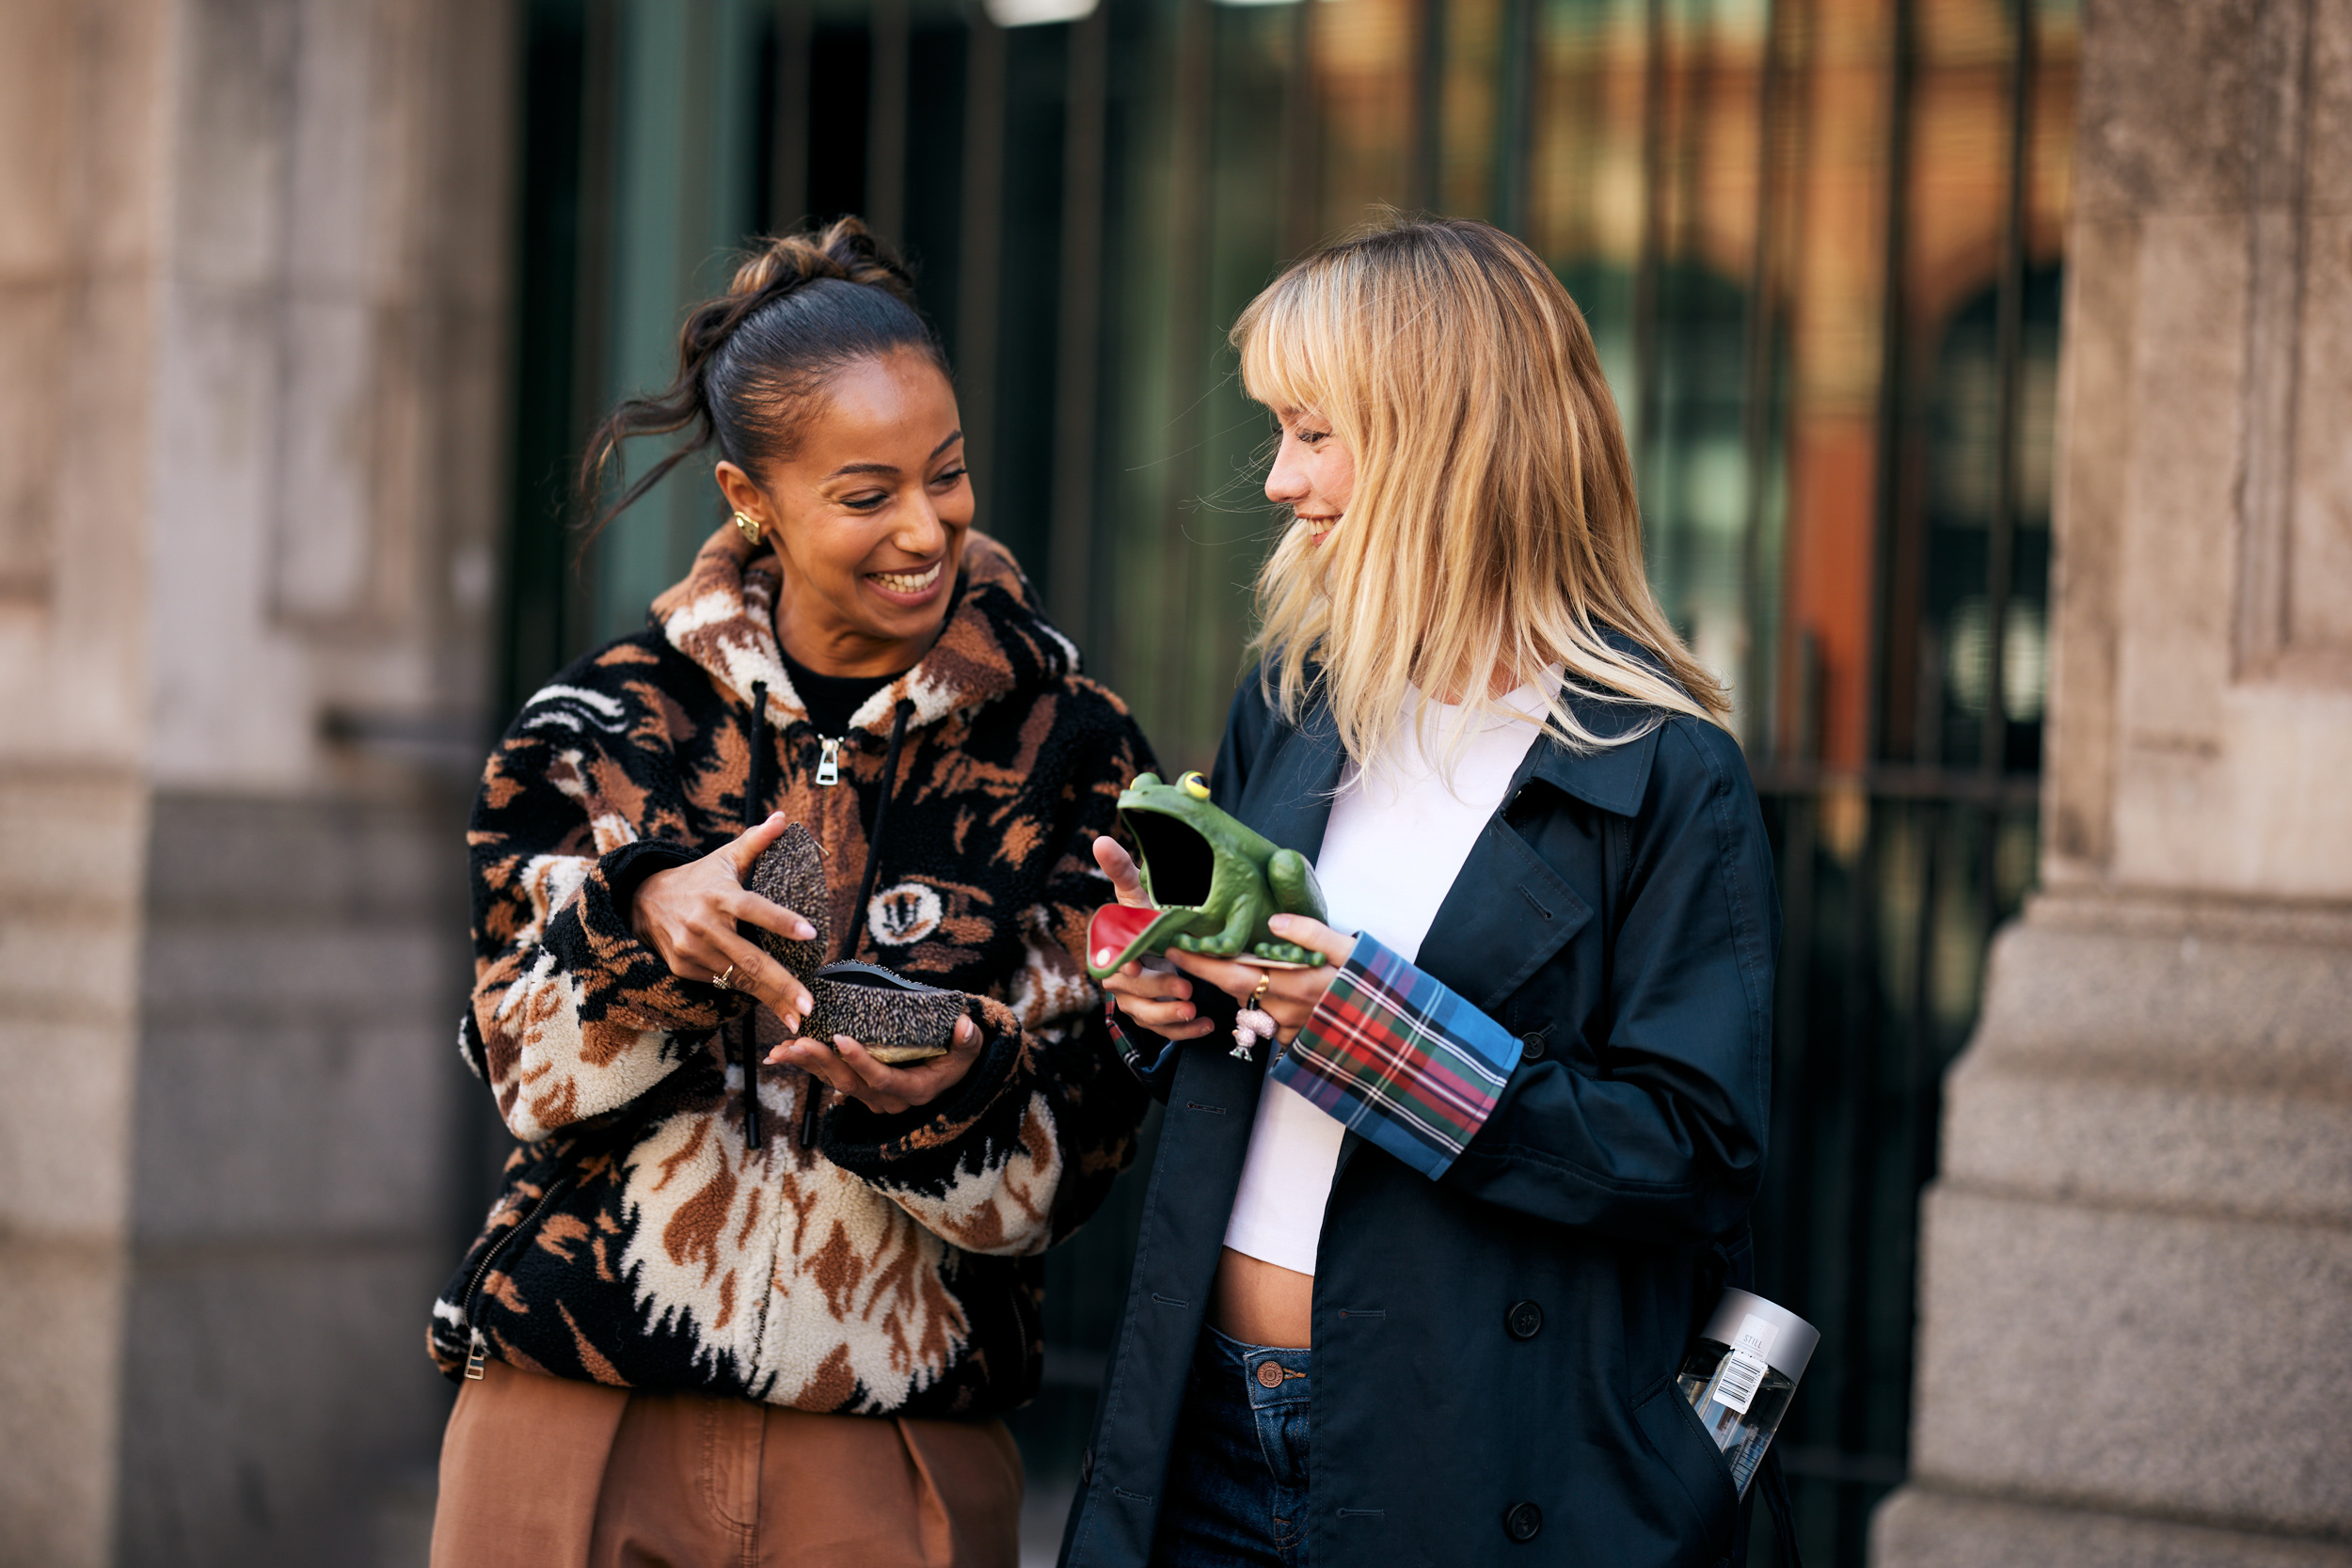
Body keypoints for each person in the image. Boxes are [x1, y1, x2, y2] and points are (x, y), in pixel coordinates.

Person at [426, 217, 1156, 1568]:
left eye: (947, 474)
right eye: (868, 495)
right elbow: (522, 1081)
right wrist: (643, 928)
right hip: (575, 1412)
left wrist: (952, 1099)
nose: (927, 527)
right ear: (748, 497)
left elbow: (1084, 1154)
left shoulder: (1078, 752)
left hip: (893, 1444)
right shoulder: (597, 727)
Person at [1060, 215, 1782, 1567]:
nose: (1279, 479)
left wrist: (1376, 1034)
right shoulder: (1297, 701)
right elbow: (1243, 1038)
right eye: (1279, 430)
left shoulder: (1667, 771)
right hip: (1199, 1423)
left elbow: (1695, 1157)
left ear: (1448, 446)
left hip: (1468, 1461)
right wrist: (1165, 995)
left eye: (1315, 432)